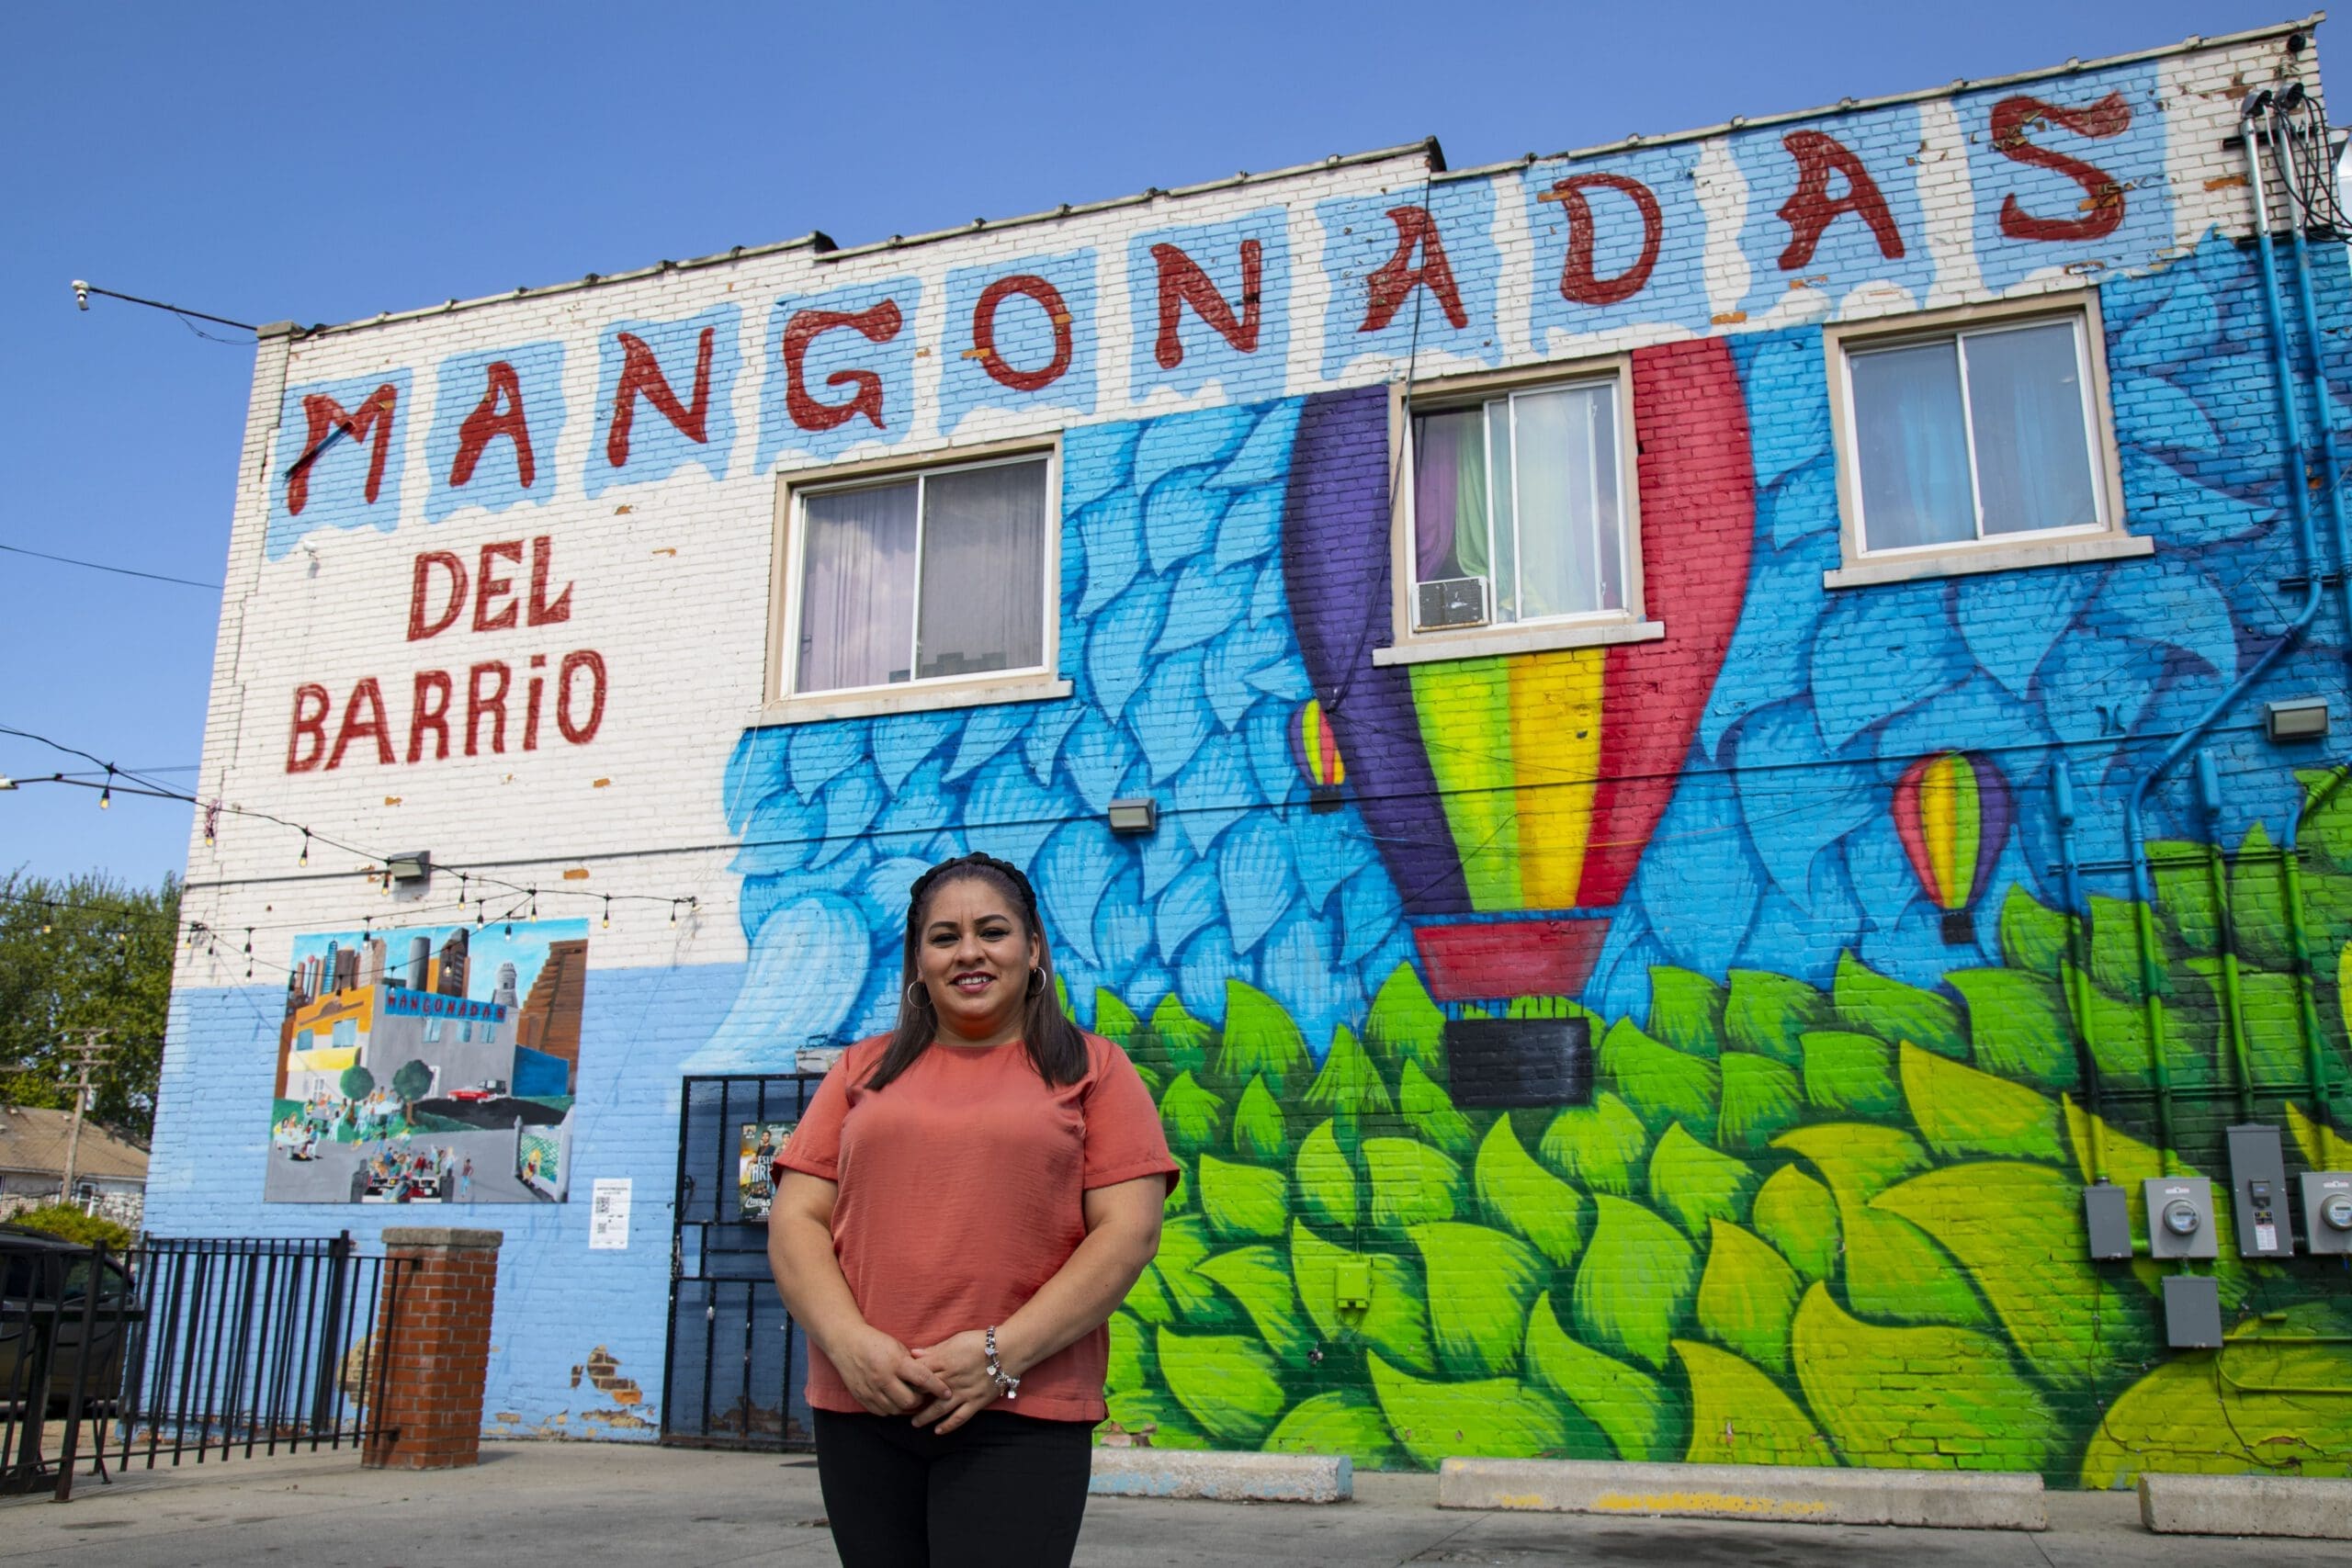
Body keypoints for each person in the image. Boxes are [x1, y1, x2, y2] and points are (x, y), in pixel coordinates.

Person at [768, 852, 1176, 1568]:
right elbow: (796, 1219)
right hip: (864, 1402)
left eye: (992, 931)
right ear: (918, 960)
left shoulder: (1094, 1070)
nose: (969, 952)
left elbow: (1129, 1231)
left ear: (1033, 948)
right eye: (944, 936)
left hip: (1022, 1405)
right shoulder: (860, 1070)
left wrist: (999, 1355)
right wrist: (851, 1344)